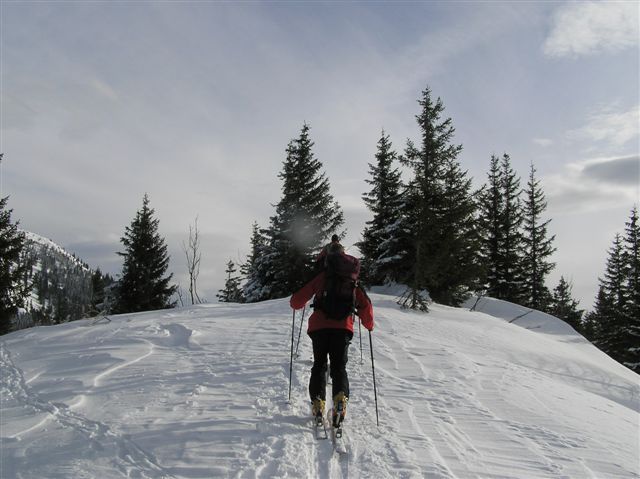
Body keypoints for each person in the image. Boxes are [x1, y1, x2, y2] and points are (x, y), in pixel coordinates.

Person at [290, 243, 374, 427]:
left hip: (319, 328)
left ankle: (318, 403)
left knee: (319, 365)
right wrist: (369, 325)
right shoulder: (351, 278)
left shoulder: (322, 275)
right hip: (343, 328)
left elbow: (296, 301)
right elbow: (365, 305)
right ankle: (340, 400)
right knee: (339, 368)